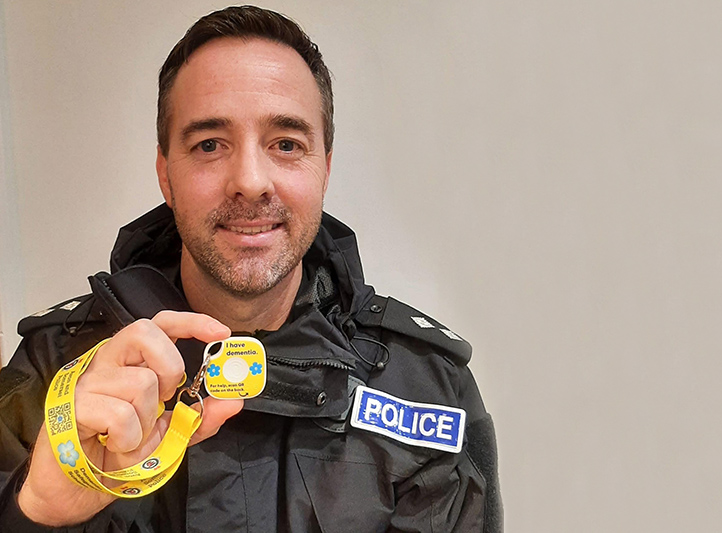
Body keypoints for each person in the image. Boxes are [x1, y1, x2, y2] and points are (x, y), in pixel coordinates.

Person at [0, 6, 501, 532]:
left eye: (286, 144)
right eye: (210, 145)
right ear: (165, 174)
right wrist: (33, 514)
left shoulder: (429, 387)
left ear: (324, 169)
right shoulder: (53, 371)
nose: (250, 180)